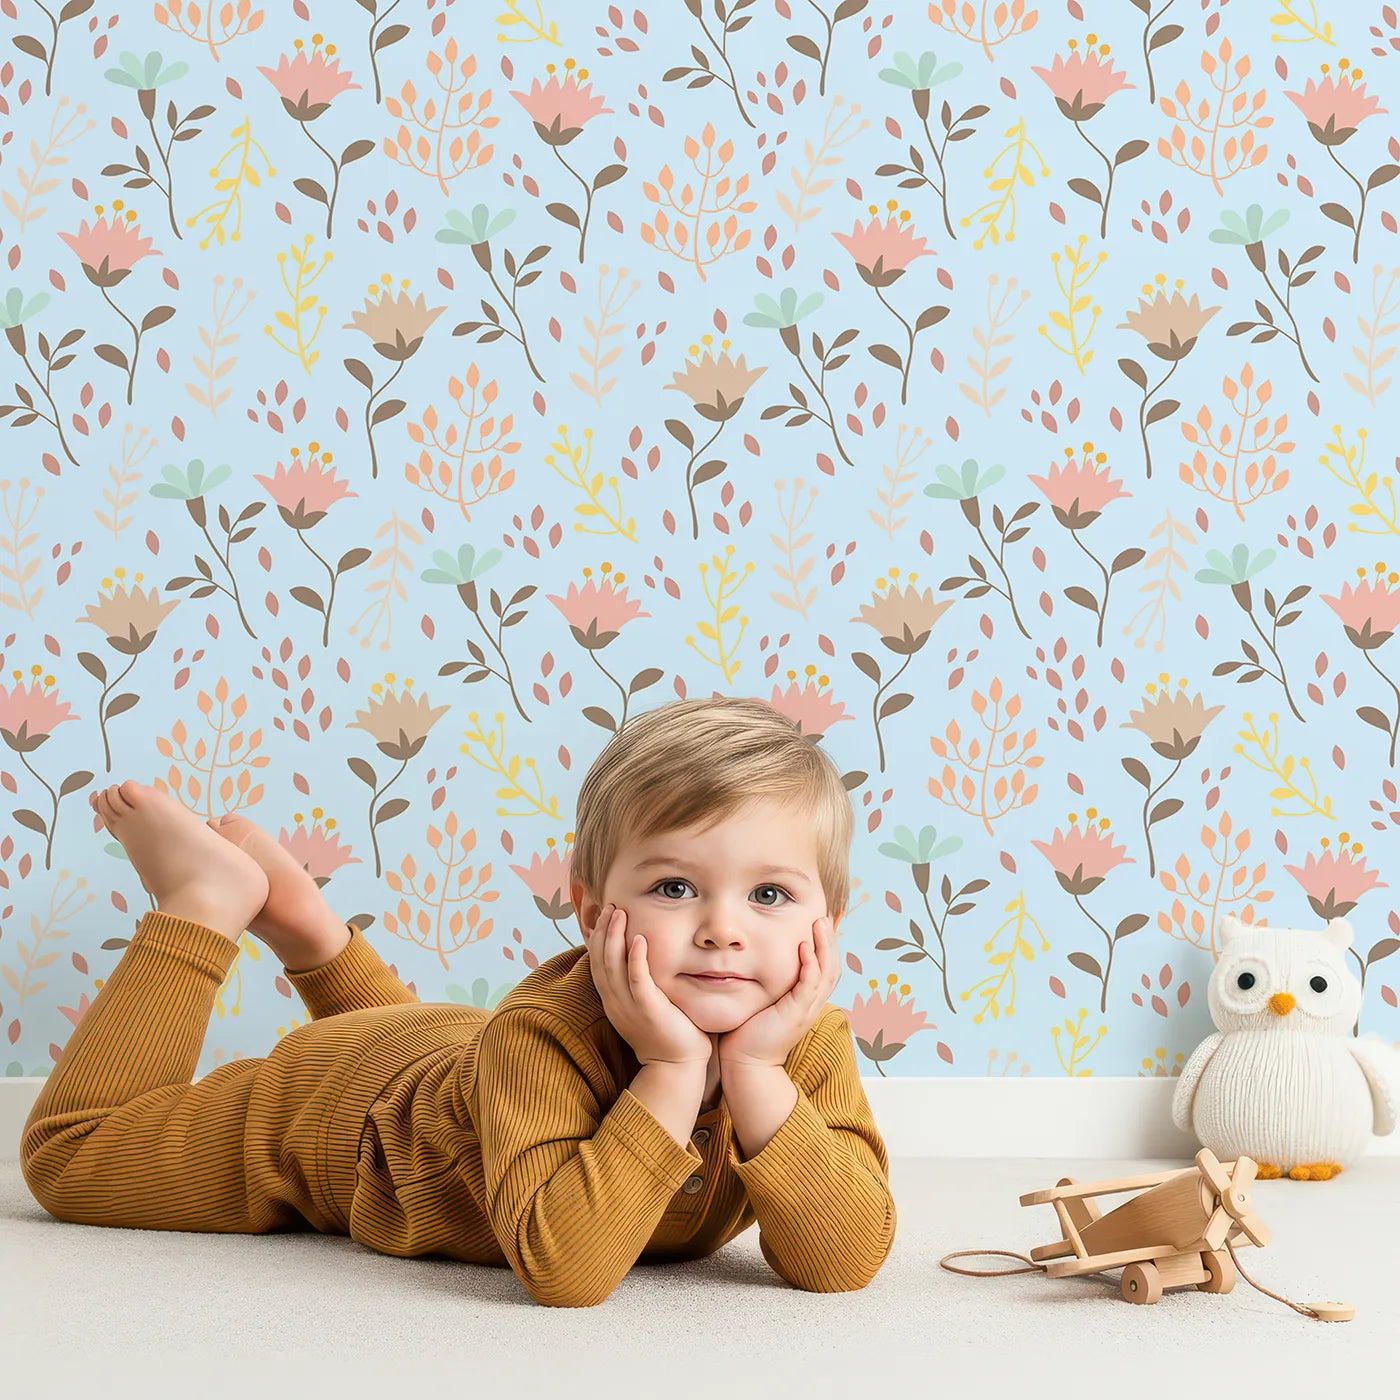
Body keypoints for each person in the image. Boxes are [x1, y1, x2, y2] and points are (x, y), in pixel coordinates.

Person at [20, 695, 896, 1306]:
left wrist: (756, 1073)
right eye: (674, 887)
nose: (722, 930)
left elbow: (846, 1260)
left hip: (450, 1054)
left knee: (446, 1059)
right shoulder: (541, 1039)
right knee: (71, 1159)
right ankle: (206, 901)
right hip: (344, 1115)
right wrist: (672, 1069)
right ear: (591, 911)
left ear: (827, 920)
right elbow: (567, 1271)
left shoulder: (800, 1042)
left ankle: (305, 928)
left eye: (770, 897)